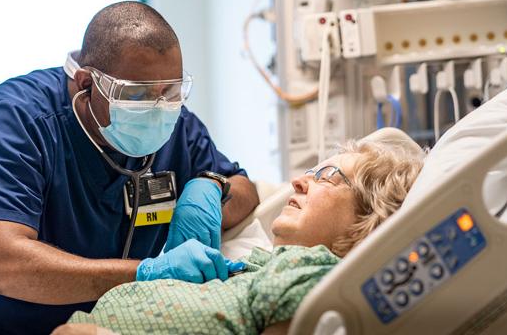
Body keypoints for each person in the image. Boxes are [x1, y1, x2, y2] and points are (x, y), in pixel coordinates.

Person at [0, 1, 260, 335]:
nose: (158, 108)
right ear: (86, 84)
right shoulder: (15, 121)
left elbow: (244, 188)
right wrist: (144, 273)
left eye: (170, 90)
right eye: (136, 95)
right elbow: (3, 265)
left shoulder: (175, 124)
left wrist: (211, 188)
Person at [53, 138, 425, 335]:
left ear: (370, 217)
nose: (299, 180)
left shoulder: (310, 272)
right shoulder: (262, 266)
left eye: (327, 175)